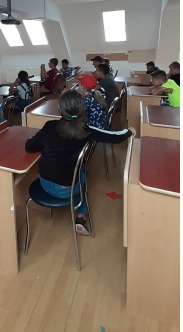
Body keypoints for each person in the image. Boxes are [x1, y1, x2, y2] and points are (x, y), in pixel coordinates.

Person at [24, 90, 135, 235]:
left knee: (78, 171)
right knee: (83, 171)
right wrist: (129, 131)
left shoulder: (49, 126)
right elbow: (113, 137)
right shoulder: (86, 130)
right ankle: (80, 217)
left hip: (46, 184)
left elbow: (29, 147)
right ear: (82, 110)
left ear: (59, 109)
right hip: (71, 189)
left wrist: (35, 139)